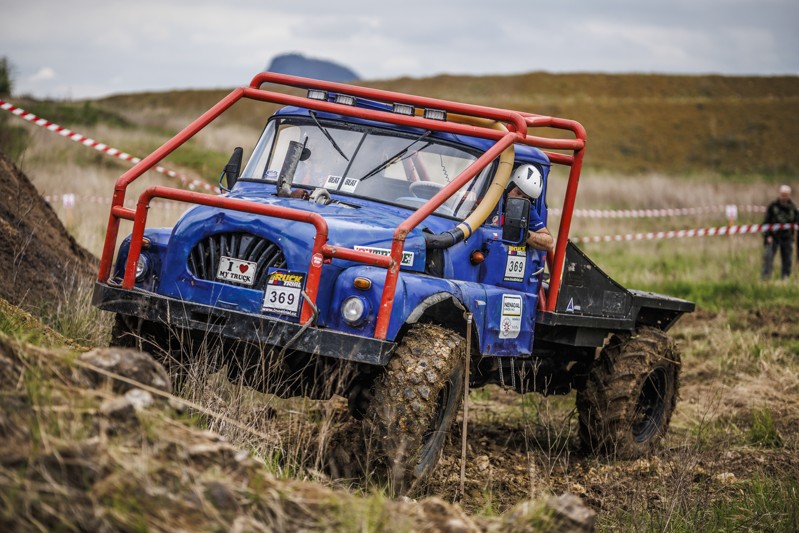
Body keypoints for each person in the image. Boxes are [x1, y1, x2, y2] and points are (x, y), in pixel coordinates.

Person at [506, 164, 555, 252]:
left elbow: (549, 243)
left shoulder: (526, 208)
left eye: (525, 197)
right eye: (518, 193)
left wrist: (524, 233)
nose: (519, 199)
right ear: (509, 186)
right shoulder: (492, 200)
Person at [761, 184, 798, 280]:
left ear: (789, 195)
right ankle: (765, 279)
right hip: (773, 236)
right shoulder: (773, 206)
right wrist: (767, 236)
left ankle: (785, 278)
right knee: (768, 258)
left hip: (787, 237)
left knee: (787, 259)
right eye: (782, 195)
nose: (784, 197)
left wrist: (793, 235)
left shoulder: (792, 207)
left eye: (786, 195)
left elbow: (795, 222)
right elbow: (766, 222)